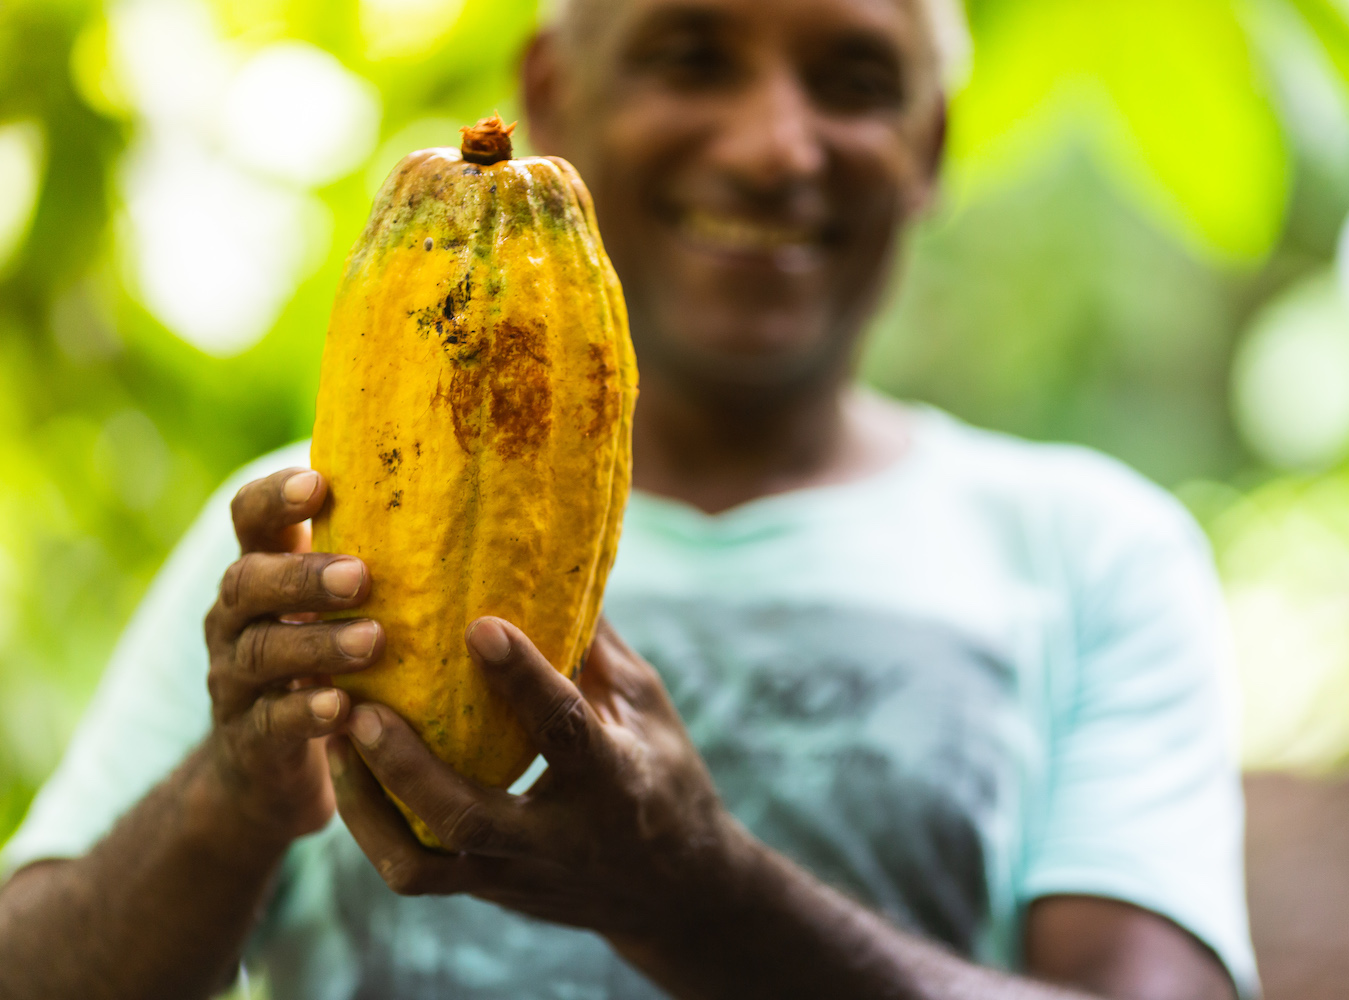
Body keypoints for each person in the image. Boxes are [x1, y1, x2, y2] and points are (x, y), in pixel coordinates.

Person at [0, 0, 1257, 997]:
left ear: (929, 144)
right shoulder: (302, 536)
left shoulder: (1095, 553)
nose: (774, 145)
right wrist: (226, 804)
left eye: (856, 80)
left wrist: (702, 899)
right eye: (690, 55)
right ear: (550, 94)